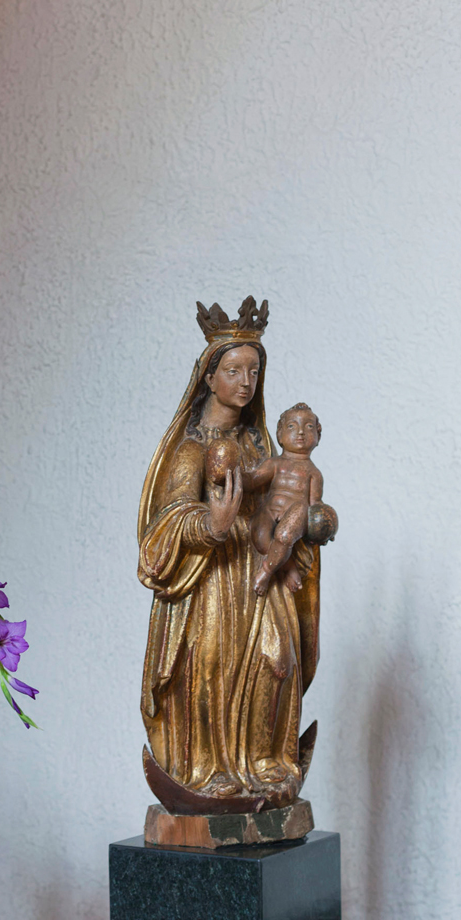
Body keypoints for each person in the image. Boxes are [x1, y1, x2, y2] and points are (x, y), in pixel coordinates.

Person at [137, 299, 320, 808]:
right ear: (209, 376)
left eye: (254, 370)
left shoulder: (262, 442)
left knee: (277, 662)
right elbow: (167, 522)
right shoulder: (191, 448)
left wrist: (308, 526)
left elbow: (288, 502)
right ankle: (209, 769)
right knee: (212, 666)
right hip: (212, 580)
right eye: (234, 370)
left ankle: (265, 764)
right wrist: (210, 524)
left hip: (260, 567)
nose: (246, 381)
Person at [243, 403, 323, 597]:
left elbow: (315, 505)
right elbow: (253, 480)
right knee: (261, 538)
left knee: (285, 536)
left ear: (318, 437)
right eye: (292, 427)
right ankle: (289, 567)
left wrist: (324, 524)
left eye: (308, 427)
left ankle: (266, 571)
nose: (301, 432)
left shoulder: (314, 473)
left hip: (296, 513)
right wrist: (232, 476)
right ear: (280, 435)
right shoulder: (275, 463)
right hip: (270, 509)